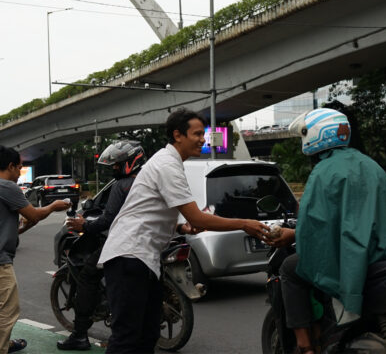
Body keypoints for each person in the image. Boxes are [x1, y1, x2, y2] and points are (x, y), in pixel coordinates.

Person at [97, 108, 270, 354]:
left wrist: (181, 226)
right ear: (178, 135)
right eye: (197, 134)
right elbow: (197, 216)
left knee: (147, 334)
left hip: (142, 259)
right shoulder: (167, 164)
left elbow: (150, 212)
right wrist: (245, 224)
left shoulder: (170, 162)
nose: (203, 139)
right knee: (127, 337)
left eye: (204, 133)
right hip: (129, 257)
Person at [265, 108, 386, 354]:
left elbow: (316, 228)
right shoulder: (370, 165)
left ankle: (305, 346)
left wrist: (290, 234)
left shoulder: (323, 172)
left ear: (314, 136)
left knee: (289, 269)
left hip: (358, 256)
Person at [0, 145, 71, 354]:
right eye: (19, 168)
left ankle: (6, 344)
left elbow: (17, 226)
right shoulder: (6, 187)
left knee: (1, 306)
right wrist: (53, 207)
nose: (19, 173)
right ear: (10, 166)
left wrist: (28, 223)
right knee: (8, 309)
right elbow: (34, 214)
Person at [56, 140, 147, 351]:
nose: (115, 168)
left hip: (123, 244)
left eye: (118, 164)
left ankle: (79, 335)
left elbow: (107, 221)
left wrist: (84, 225)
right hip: (149, 244)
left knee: (88, 274)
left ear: (130, 161)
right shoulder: (148, 180)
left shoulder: (121, 186)